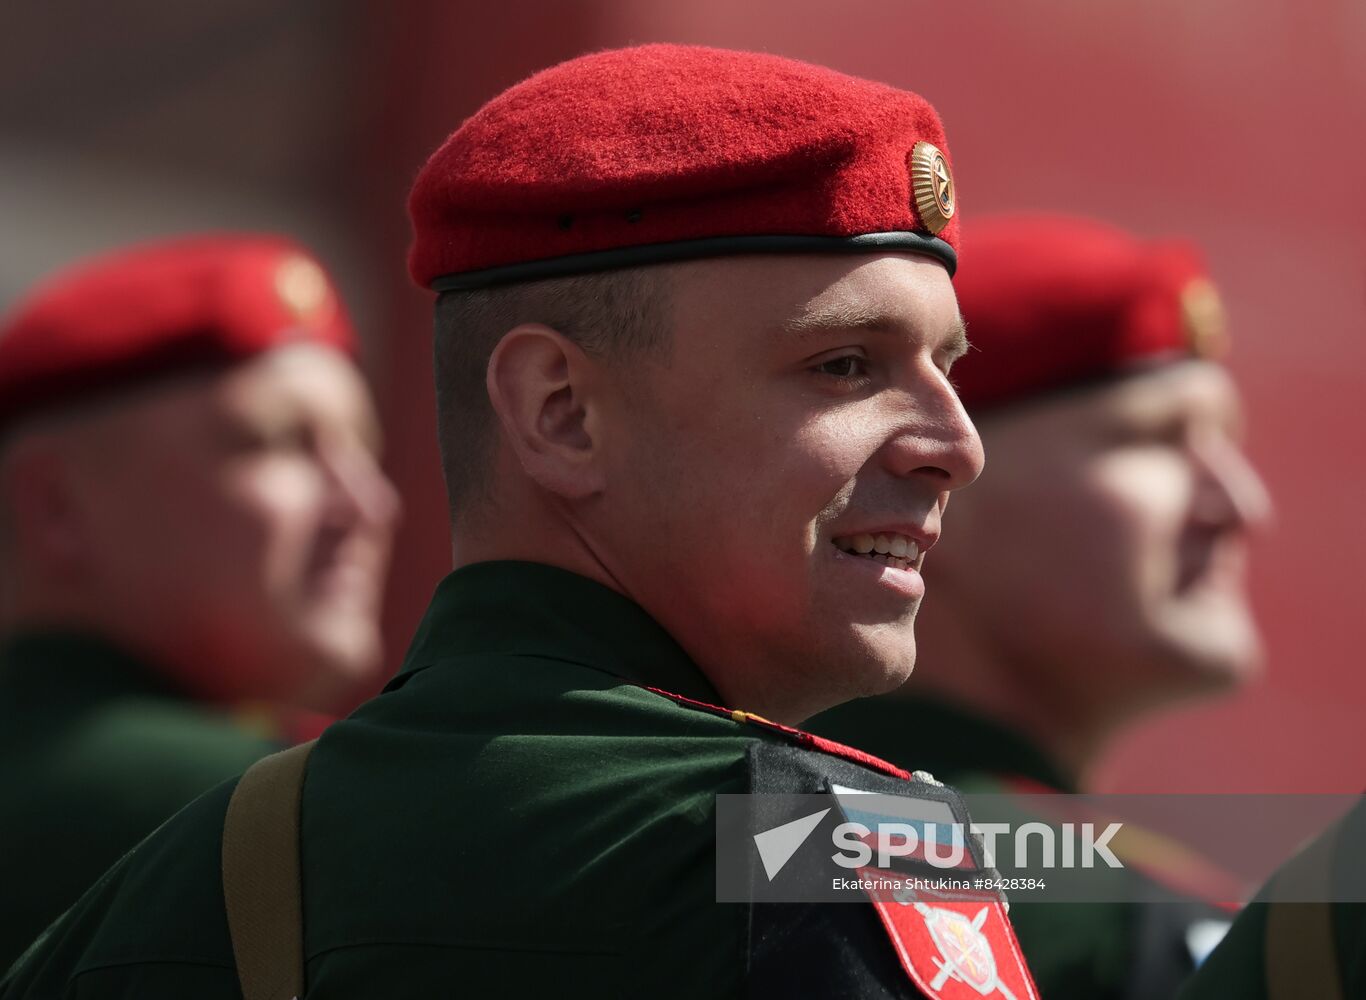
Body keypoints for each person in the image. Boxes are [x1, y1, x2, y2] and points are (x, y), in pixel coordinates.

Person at [0, 46, 1042, 998]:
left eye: (948, 369)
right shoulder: (841, 849)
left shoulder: (172, 890)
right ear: (561, 412)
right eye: (843, 364)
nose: (955, 445)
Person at [812, 213, 1273, 997]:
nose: (1240, 504)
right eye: (1156, 439)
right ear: (935, 489)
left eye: (1228, 440)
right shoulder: (1102, 922)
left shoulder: (743, 825)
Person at [0, 234, 400, 969]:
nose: (368, 502)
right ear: (54, 505)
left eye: (365, 450)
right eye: (279, 443)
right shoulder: (292, 811)